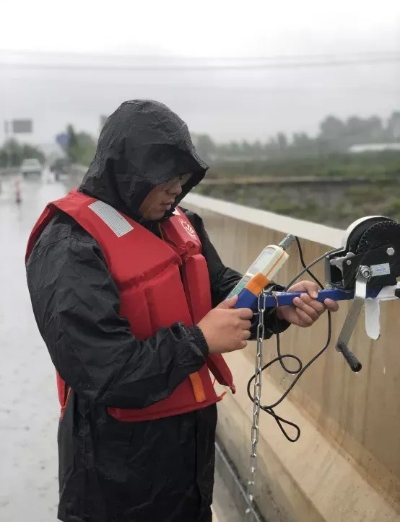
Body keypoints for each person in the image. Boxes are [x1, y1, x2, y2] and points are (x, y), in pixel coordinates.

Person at [25, 100, 338, 522]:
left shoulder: (177, 222)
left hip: (187, 467)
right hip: (113, 478)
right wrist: (200, 340)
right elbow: (102, 369)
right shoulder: (68, 244)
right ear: (130, 174)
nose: (177, 190)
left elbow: (219, 288)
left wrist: (278, 305)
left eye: (182, 179)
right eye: (166, 179)